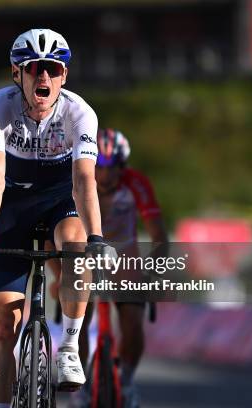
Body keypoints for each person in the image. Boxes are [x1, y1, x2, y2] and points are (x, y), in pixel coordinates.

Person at [0, 28, 114, 408]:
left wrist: (97, 237)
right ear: (18, 74)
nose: (43, 77)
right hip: (12, 203)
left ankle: (68, 345)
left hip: (60, 198)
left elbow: (83, 179)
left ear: (64, 75)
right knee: (2, 327)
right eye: (34, 69)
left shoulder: (80, 113)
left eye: (52, 69)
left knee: (77, 247)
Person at [74, 129, 168, 408]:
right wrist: (59, 274)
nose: (105, 175)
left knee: (132, 323)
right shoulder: (78, 181)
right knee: (77, 317)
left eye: (112, 167)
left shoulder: (136, 184)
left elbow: (159, 236)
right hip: (85, 255)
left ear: (122, 166)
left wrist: (154, 273)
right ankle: (81, 385)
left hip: (125, 259)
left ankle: (125, 380)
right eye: (99, 167)